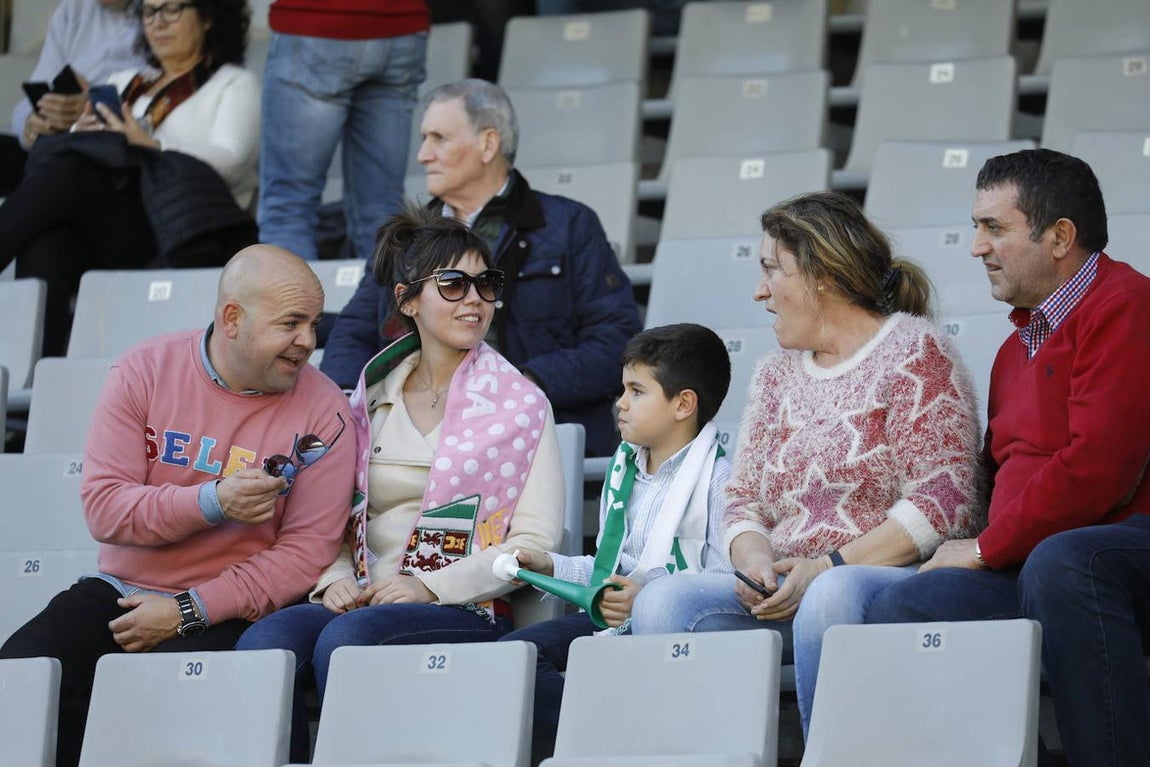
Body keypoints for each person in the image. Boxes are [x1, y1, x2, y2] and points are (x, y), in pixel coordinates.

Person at [630, 191, 982, 739]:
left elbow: (945, 503)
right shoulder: (775, 374)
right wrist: (755, 560)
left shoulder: (917, 352)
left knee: (830, 596)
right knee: (665, 602)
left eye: (772, 270)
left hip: (880, 576)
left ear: (822, 277)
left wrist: (827, 566)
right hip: (786, 584)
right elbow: (742, 497)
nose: (759, 290)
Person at [0, 245, 356, 767]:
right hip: (122, 591)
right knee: (21, 673)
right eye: (291, 324)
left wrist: (189, 610)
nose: (309, 341)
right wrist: (214, 501)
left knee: (148, 704)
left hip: (233, 608)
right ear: (232, 318)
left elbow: (304, 554)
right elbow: (105, 508)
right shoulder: (144, 371)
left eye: (313, 323)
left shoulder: (326, 410)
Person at [236, 207, 565, 763]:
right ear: (408, 299)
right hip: (361, 595)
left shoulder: (522, 404)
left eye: (487, 283)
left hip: (462, 605)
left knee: (350, 642)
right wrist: (334, 578)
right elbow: (327, 516)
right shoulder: (368, 397)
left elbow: (534, 545)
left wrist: (429, 587)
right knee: (263, 645)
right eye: (454, 284)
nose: (475, 299)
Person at [866, 149, 1150, 767]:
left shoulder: (1127, 305)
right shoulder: (1014, 347)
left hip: (1118, 544)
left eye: (994, 227)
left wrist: (986, 549)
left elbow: (1103, 470)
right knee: (901, 605)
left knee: (1064, 561)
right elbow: (993, 479)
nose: (976, 247)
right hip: (1034, 558)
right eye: (976, 227)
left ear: (1060, 237)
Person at [320, 78, 641, 457]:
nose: (423, 154)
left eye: (439, 138)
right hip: (411, 436)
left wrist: (520, 384)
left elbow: (615, 342)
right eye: (425, 139)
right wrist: (344, 408)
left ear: (488, 144)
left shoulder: (569, 225)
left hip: (536, 435)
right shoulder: (404, 235)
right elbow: (355, 331)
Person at [498, 322, 734, 758]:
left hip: (674, 634)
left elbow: (723, 583)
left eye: (636, 391)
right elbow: (610, 570)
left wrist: (647, 598)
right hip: (613, 621)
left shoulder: (720, 481)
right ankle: (618, 734)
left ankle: (619, 739)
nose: (620, 404)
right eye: (622, 389)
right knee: (515, 658)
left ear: (684, 404)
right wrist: (551, 565)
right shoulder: (625, 468)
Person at [0, 0, 260, 356]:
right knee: (49, 239)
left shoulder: (234, 83)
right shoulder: (125, 82)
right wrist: (82, 129)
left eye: (171, 10)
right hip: (118, 228)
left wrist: (149, 144)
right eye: (149, 13)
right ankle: (35, 376)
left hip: (185, 236)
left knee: (74, 172)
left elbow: (231, 161)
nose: (158, 23)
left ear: (208, 17)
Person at [256, 0, 429, 262]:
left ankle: (293, 304)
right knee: (382, 210)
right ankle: (388, 302)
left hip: (317, 21)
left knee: (289, 208)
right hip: (402, 25)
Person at [1, 0, 145, 194]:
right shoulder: (75, 8)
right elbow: (33, 95)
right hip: (54, 145)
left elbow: (157, 109)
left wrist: (94, 109)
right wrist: (31, 124)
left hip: (114, 160)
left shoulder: (161, 15)